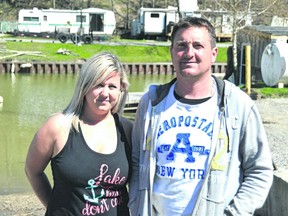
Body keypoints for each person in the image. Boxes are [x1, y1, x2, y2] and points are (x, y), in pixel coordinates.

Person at [128, 16, 274, 216]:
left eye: (198, 45)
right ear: (172, 53)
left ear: (213, 54)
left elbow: (259, 171)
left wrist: (236, 213)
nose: (189, 53)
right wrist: (135, 204)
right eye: (181, 45)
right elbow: (137, 162)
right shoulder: (151, 103)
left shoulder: (238, 106)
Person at [25, 51, 132, 215]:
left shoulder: (128, 131)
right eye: (98, 85)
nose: (105, 93)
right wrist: (54, 207)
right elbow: (32, 171)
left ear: (121, 89)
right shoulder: (57, 126)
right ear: (85, 86)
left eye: (112, 86)